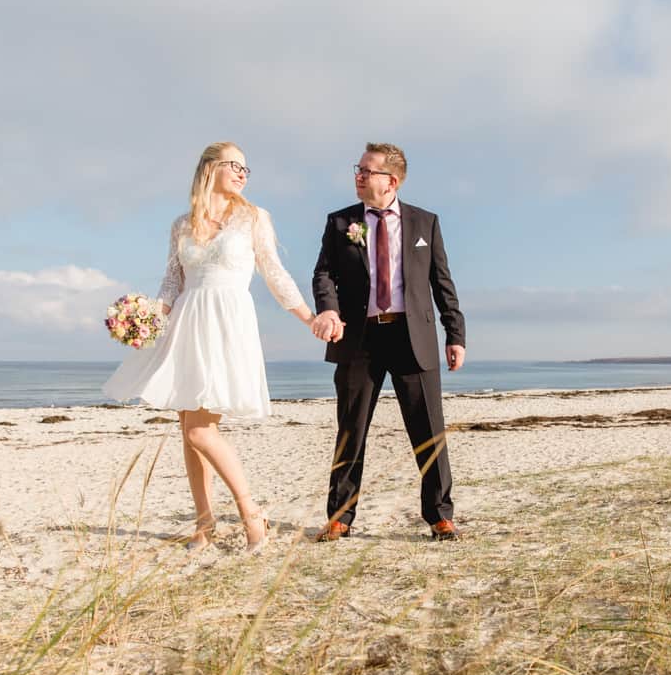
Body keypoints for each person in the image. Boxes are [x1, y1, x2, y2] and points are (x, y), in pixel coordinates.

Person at [103, 141, 315, 552]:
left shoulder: (253, 217)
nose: (242, 173)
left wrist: (308, 317)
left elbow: (274, 273)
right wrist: (148, 319)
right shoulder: (182, 224)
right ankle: (204, 525)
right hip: (187, 321)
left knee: (201, 431)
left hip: (227, 322)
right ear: (209, 167)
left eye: (246, 169)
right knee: (190, 429)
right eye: (234, 165)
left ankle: (252, 514)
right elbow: (171, 281)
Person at [310, 142, 467, 541]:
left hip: (412, 336)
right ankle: (341, 518)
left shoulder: (424, 223)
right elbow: (323, 274)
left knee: (428, 430)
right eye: (358, 169)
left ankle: (439, 516)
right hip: (358, 338)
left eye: (367, 170)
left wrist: (455, 333)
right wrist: (328, 309)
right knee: (351, 429)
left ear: (391, 180)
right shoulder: (340, 222)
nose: (358, 175)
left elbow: (441, 281)